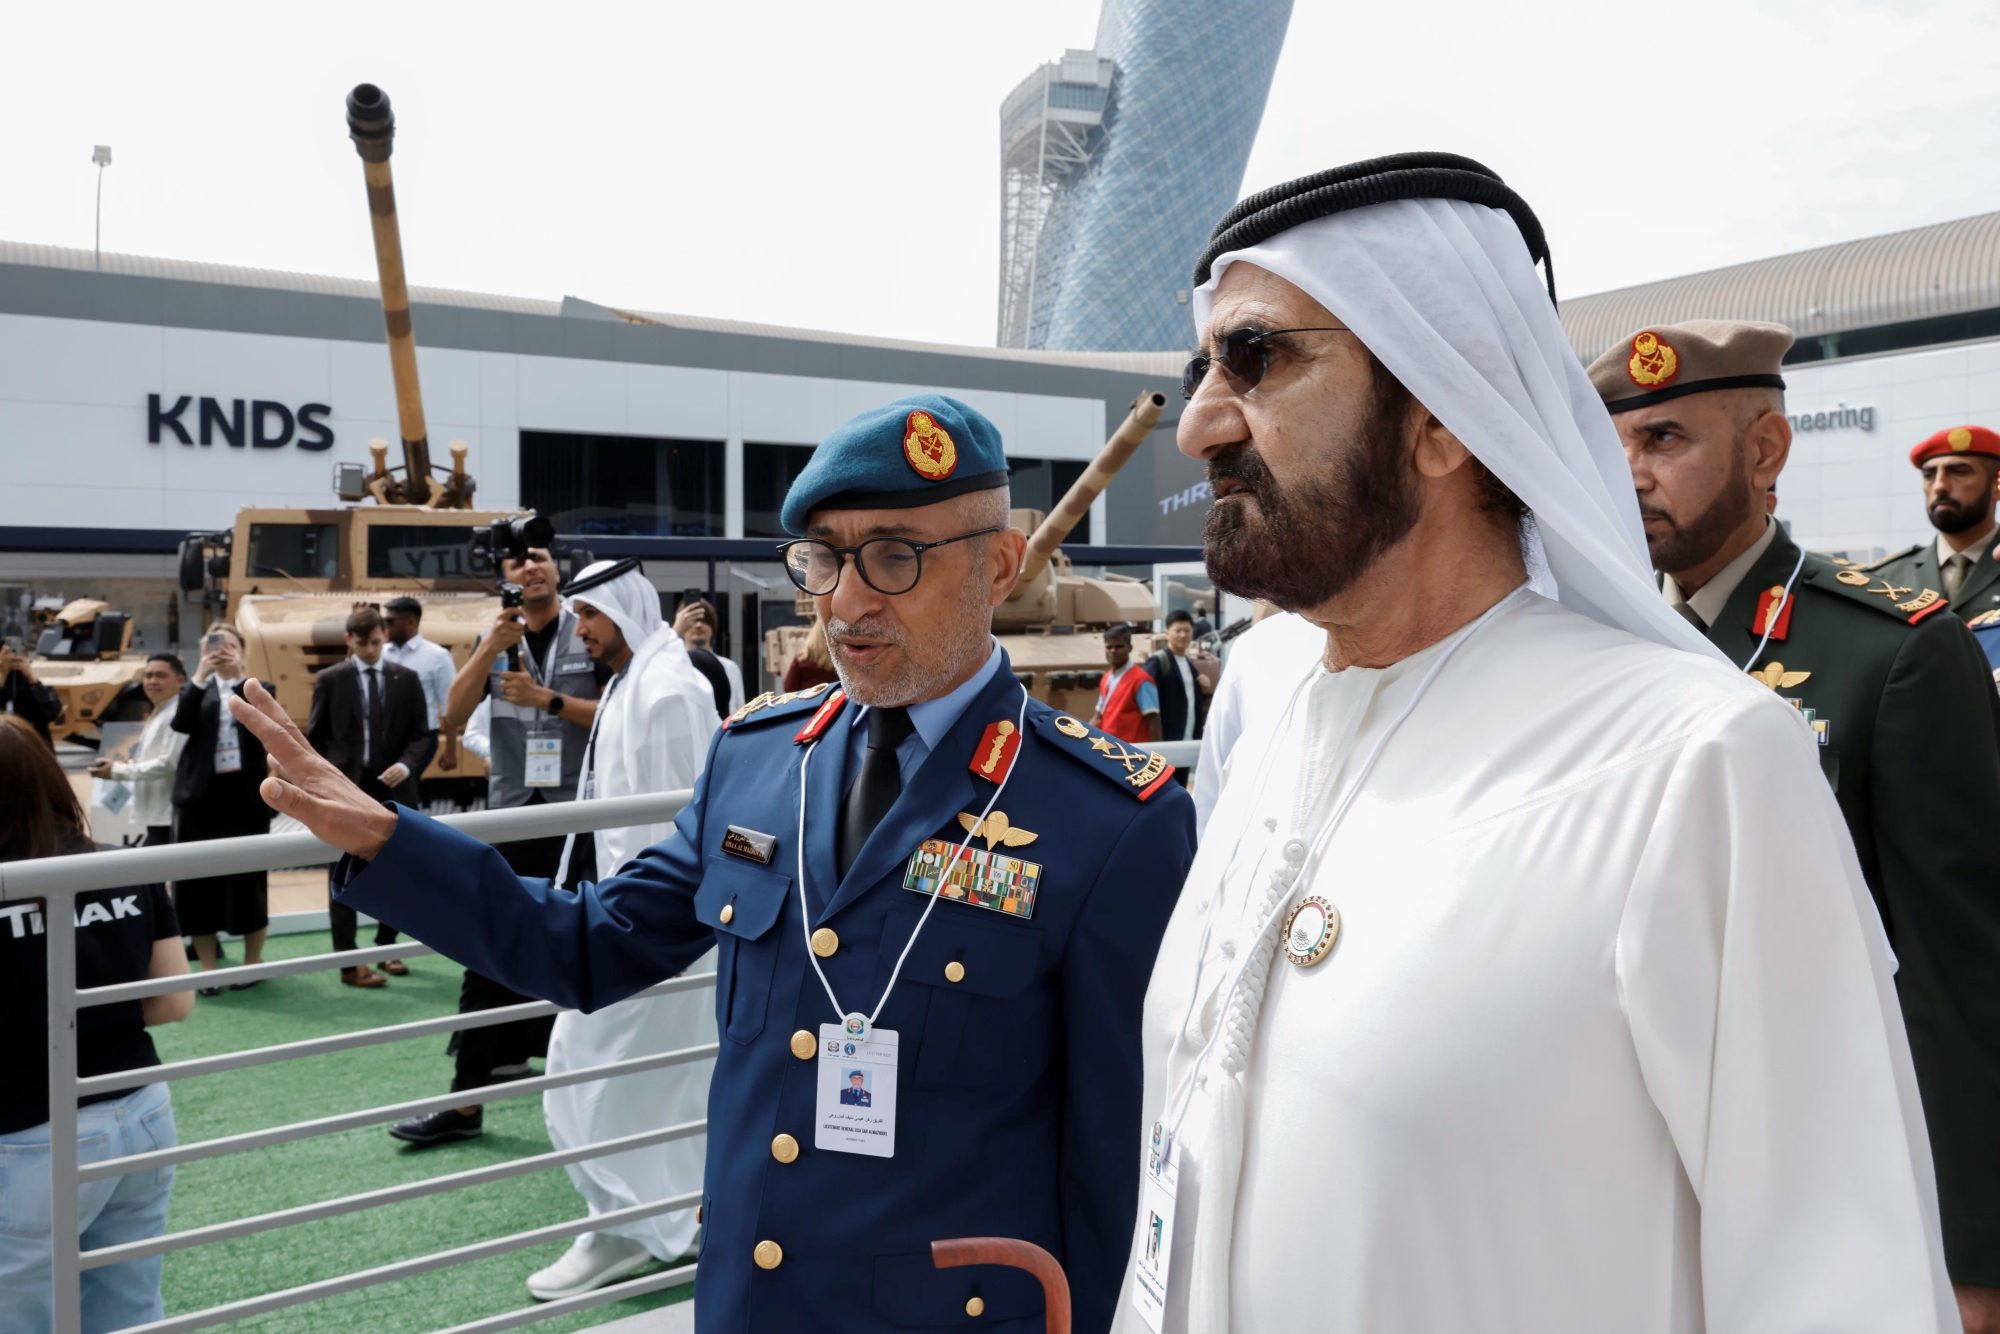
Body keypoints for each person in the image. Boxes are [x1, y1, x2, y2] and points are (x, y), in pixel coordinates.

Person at [1112, 155, 1956, 1333]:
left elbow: (1834, 1286)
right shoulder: (1270, 703)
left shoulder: (1694, 764)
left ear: (1442, 415)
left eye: (1255, 357)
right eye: (1203, 365)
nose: (1199, 419)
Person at [229, 391, 1198, 1334]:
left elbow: (1123, 1159)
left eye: (894, 557)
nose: (844, 599)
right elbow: (587, 944)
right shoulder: (757, 763)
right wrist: (389, 841)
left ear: (998, 566)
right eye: (822, 558)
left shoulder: (1108, 822)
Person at [1590, 319, 2000, 1330]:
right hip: (1633, 1175)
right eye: (1615, 446)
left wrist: (1968, 1252)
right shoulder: (1595, 646)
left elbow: (1960, 984)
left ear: (1763, 451)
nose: (1631, 472)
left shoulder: (1891, 653)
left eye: (1665, 440)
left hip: (1831, 1169)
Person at [527, 559, 720, 1302]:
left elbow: (683, 829)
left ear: (624, 611)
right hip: (623, 915)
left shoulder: (669, 691)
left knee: (596, 1074)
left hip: (655, 928)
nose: (581, 632)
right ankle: (650, 1221)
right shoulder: (635, 681)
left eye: (589, 617)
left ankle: (628, 1227)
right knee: (629, 1081)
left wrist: (645, 925)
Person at [402, 546, 610, 1145]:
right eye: (517, 562)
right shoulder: (495, 638)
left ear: (557, 571)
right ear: (505, 578)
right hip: (513, 813)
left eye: (539, 558)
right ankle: (466, 1105)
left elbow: (618, 714)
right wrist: (490, 649)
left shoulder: (588, 630)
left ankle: (593, 1106)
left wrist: (547, 700)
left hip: (580, 815)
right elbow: (453, 712)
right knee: (484, 944)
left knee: (581, 947)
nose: (530, 569)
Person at [0, 713, 193, 1333]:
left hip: (31, 1128)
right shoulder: (120, 864)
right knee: (128, 1304)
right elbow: (173, 1001)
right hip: (143, 1112)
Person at [308, 605, 436, 987]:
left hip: (394, 786)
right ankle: (349, 962)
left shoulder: (407, 678)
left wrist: (408, 765)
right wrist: (320, 783)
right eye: (363, 643)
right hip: (346, 788)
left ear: (384, 636)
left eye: (377, 642)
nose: (370, 650)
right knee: (341, 874)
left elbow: (422, 734)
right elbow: (316, 738)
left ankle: (387, 947)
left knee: (398, 870)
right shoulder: (330, 679)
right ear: (350, 640)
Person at [169, 623, 273, 995]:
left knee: (249, 880)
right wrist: (201, 674)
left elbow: (265, 727)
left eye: (230, 645)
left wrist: (238, 678)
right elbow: (180, 722)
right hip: (201, 796)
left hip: (244, 796)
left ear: (243, 651)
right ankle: (208, 970)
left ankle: (251, 961)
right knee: (198, 883)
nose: (221, 651)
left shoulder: (257, 688)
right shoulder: (195, 690)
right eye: (213, 645)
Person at [88, 654, 189, 847]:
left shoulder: (177, 713)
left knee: (153, 875)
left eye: (160, 675)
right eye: (148, 675)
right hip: (158, 814)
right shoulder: (160, 712)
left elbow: (168, 764)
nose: (152, 681)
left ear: (180, 680)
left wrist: (117, 771)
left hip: (168, 815)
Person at [381, 595, 460, 779]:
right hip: (386, 734)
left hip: (421, 736)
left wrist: (451, 750)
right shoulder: (381, 653)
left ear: (410, 622)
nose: (386, 626)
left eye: (390, 621)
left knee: (405, 785)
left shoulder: (437, 656)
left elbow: (449, 705)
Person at [1144, 611, 1212, 743]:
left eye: (1187, 630)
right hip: (1166, 740)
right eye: (1178, 630)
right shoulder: (1158, 662)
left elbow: (1188, 699)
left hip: (1189, 738)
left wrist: (1202, 690)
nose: (1183, 635)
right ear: (1167, 633)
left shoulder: (1190, 665)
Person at [673, 596, 744, 717]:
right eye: (693, 620)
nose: (699, 625)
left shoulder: (730, 668)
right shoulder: (672, 665)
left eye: (704, 620)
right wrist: (674, 632)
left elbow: (740, 709)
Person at [1091, 624, 1161, 743]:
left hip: (1131, 752)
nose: (1113, 651)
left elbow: (1154, 722)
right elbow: (1098, 717)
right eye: (1109, 647)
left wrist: (1153, 755)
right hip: (1108, 749)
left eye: (1119, 647)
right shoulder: (1106, 678)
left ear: (1130, 648)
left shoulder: (1141, 680)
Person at [0, 639, 61, 747]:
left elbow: (52, 712)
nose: (13, 657)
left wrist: (31, 679)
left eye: (18, 653)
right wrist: (2, 675)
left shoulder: (35, 686)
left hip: (35, 751)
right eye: (7, 654)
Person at [780, 618, 839, 693]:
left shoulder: (800, 660)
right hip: (833, 702)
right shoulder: (840, 662)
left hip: (807, 703)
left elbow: (789, 688)